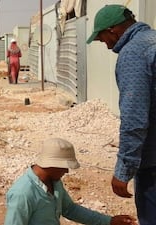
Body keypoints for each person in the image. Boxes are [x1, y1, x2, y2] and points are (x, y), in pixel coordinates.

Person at [87, 5, 156, 225]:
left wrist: (123, 170)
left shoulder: (133, 53)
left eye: (103, 38)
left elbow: (134, 119)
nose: (106, 45)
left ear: (113, 30)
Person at [4, 138, 137, 225]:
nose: (66, 172)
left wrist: (109, 221)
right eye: (64, 167)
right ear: (51, 165)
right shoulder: (22, 193)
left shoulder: (54, 183)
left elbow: (69, 209)